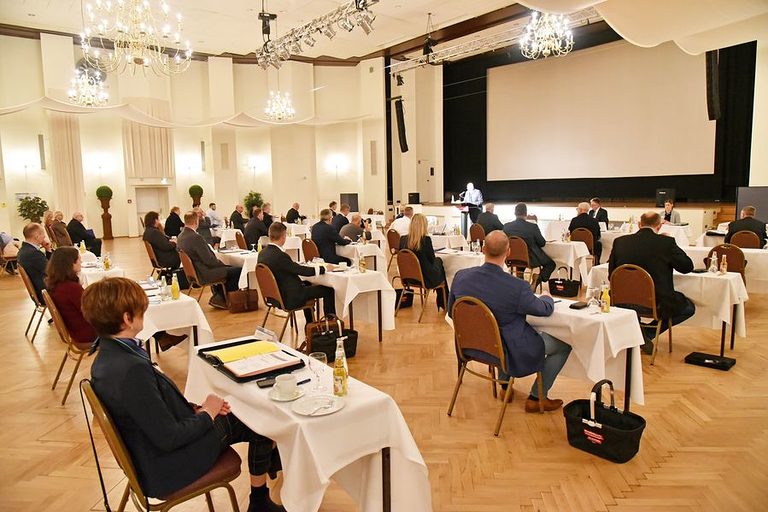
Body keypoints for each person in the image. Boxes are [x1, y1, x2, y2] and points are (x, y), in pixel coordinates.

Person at [83, 278, 284, 512]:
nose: (144, 314)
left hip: (151, 455)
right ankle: (261, 499)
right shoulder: (131, 370)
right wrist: (207, 413)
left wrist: (196, 409)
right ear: (127, 318)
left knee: (248, 416)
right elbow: (168, 437)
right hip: (171, 466)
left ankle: (268, 476)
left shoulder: (106, 357)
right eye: (141, 311)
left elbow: (150, 411)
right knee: (260, 420)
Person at [448, 231, 571, 411]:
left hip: (470, 347)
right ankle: (537, 397)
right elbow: (543, 310)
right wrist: (547, 297)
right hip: (505, 351)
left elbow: (452, 312)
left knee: (500, 331)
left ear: (483, 249)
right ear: (509, 252)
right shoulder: (517, 286)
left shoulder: (461, 277)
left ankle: (505, 387)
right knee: (562, 347)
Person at [46, 248, 187, 351]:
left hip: (80, 329)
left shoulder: (57, 284)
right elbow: (90, 310)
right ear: (70, 264)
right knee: (128, 313)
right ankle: (156, 341)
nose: (81, 262)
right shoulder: (70, 288)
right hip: (89, 332)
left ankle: (162, 338)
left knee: (124, 310)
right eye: (78, 259)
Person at [609, 211, 695, 354]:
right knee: (688, 308)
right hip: (655, 301)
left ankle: (638, 331)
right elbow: (687, 267)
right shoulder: (666, 243)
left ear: (639, 224)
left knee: (637, 300)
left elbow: (611, 274)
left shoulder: (620, 242)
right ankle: (648, 333)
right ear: (659, 226)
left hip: (620, 299)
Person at [258, 222, 337, 323]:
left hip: (274, 297)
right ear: (283, 236)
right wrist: (324, 269)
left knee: (307, 283)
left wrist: (294, 265)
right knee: (328, 290)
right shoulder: (280, 256)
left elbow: (288, 268)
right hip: (289, 298)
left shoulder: (262, 253)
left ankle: (310, 323)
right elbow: (302, 271)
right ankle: (330, 323)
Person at [177, 211, 241, 309]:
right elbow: (208, 260)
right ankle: (224, 299)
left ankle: (218, 295)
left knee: (228, 269)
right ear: (196, 222)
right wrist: (222, 264)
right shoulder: (196, 237)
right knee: (237, 270)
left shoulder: (181, 236)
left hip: (195, 271)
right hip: (204, 272)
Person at [399, 213, 449, 309]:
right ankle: (443, 300)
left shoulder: (403, 239)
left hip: (408, 278)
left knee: (439, 266)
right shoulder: (425, 240)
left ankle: (442, 300)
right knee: (440, 264)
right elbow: (432, 260)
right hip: (424, 279)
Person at [502, 203, 556, 284]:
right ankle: (538, 279)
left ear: (515, 213)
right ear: (526, 214)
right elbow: (542, 243)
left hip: (512, 258)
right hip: (530, 259)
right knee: (551, 264)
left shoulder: (506, 226)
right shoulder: (533, 227)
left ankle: (520, 281)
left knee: (520, 261)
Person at [142, 211, 189, 290]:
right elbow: (166, 246)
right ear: (155, 220)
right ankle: (173, 275)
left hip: (158, 257)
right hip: (164, 258)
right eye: (158, 219)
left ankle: (168, 273)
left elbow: (162, 242)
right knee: (181, 254)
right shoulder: (154, 232)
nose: (159, 221)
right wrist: (174, 243)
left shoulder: (148, 232)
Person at [17, 223, 52, 303]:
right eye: (43, 234)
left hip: (39, 291)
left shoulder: (23, 251)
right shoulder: (33, 254)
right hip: (45, 293)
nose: (44, 237)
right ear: (37, 236)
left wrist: (48, 249)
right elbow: (52, 271)